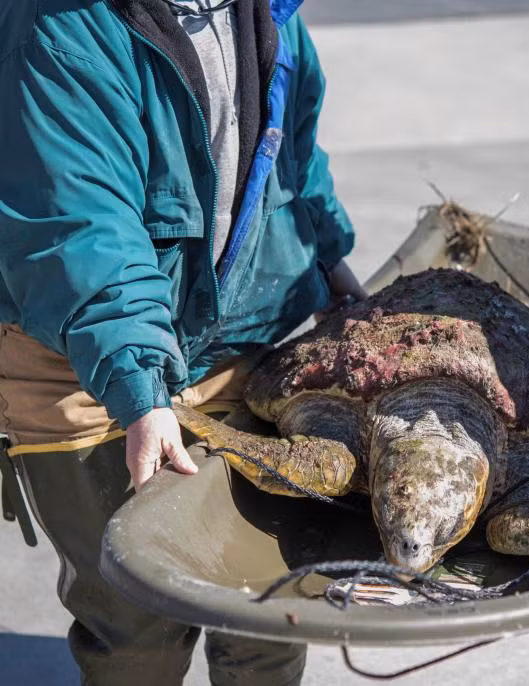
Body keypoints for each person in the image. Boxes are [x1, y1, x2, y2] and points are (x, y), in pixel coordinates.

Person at [0, 0, 366, 683]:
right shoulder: (59, 27)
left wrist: (327, 259)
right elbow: (80, 226)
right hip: (85, 360)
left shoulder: (273, 15)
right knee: (138, 620)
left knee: (266, 605)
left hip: (235, 346)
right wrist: (140, 388)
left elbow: (292, 157)